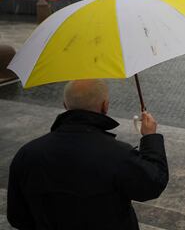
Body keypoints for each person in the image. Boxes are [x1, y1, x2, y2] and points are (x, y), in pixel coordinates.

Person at [7, 79, 169, 230]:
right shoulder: (119, 155)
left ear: (65, 105)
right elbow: (152, 184)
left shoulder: (27, 154)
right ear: (105, 106)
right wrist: (150, 138)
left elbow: (17, 217)